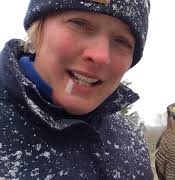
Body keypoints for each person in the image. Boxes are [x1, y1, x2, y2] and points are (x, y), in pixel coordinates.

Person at [0, 0, 153, 179]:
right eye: (80, 24)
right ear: (38, 27)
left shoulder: (132, 142)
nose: (100, 56)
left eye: (121, 41)